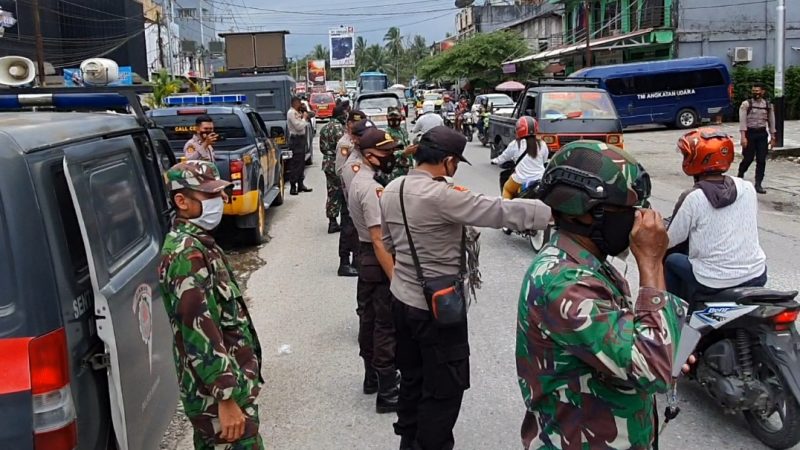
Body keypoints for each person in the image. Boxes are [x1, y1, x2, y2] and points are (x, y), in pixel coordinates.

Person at [380, 126, 551, 450]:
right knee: (444, 388)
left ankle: (408, 440)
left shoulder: (393, 189)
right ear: (446, 161)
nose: (455, 169)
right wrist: (551, 213)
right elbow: (496, 210)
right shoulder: (442, 196)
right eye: (455, 162)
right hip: (438, 309)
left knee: (413, 378)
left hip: (402, 301)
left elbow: (388, 242)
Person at [516, 141, 686, 450]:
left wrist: (667, 341)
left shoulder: (588, 266)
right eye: (627, 211)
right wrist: (650, 261)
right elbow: (652, 371)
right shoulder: (564, 282)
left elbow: (634, 342)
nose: (639, 220)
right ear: (584, 213)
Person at [158, 161, 264, 450]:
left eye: (220, 195)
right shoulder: (185, 254)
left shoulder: (201, 244)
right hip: (216, 395)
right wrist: (226, 398)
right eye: (209, 196)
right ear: (181, 201)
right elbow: (198, 334)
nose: (219, 202)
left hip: (226, 383)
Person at [666, 128, 767, 307]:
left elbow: (669, 241)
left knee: (671, 260)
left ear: (696, 158)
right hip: (757, 275)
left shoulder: (693, 197)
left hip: (713, 281)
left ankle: (675, 316)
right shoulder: (747, 188)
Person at [348, 127, 402, 414]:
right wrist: (395, 277)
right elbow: (379, 237)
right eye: (386, 153)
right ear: (370, 155)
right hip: (376, 256)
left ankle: (372, 377)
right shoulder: (371, 187)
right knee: (385, 325)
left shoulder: (362, 179)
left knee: (369, 319)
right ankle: (388, 391)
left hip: (366, 256)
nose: (390, 157)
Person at [491, 116, 549, 200]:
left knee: (507, 189)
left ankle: (507, 209)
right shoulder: (542, 144)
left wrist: (495, 161)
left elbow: (503, 158)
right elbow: (544, 160)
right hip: (539, 179)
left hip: (519, 179)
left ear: (518, 130)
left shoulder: (515, 144)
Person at [738, 82, 776, 194]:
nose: (756, 93)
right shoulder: (746, 104)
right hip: (750, 133)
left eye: (758, 91)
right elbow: (742, 122)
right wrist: (743, 137)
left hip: (762, 134)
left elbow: (771, 121)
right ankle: (740, 174)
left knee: (761, 159)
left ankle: (758, 183)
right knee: (748, 158)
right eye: (754, 91)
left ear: (763, 92)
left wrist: (773, 136)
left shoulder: (768, 105)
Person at [319, 103, 349, 234]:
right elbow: (344, 147)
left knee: (331, 191)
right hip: (338, 162)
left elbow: (321, 147)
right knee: (342, 191)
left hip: (327, 162)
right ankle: (343, 220)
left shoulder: (324, 128)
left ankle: (332, 220)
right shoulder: (339, 129)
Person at [287, 96, 313, 196]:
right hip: (295, 139)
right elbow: (298, 126)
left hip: (301, 139)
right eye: (298, 103)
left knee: (302, 162)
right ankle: (293, 186)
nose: (299, 105)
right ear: (294, 103)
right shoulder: (291, 113)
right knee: (295, 163)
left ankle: (300, 183)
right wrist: (305, 119)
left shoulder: (297, 112)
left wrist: (304, 114)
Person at [386, 107, 414, 180]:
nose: (394, 119)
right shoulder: (387, 134)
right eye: (391, 116)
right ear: (387, 118)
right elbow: (387, 153)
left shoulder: (403, 131)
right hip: (395, 170)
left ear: (401, 117)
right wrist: (403, 152)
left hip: (407, 168)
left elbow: (407, 145)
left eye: (396, 116)